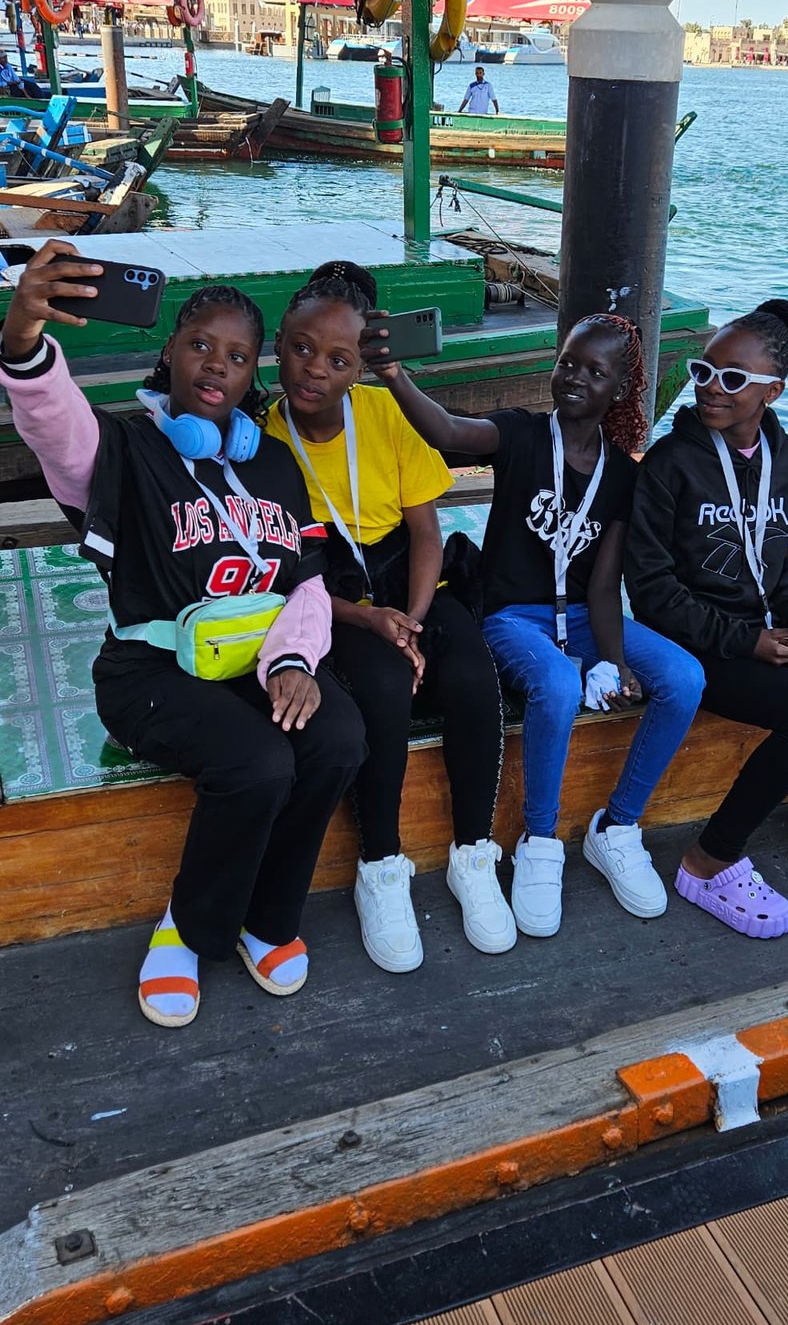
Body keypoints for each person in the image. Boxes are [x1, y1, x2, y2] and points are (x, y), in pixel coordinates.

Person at [0, 242, 365, 1029]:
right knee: (260, 762)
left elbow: (306, 579)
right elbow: (50, 421)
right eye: (200, 344)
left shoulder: (272, 463)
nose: (215, 365)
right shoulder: (124, 452)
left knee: (338, 735)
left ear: (250, 373)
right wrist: (24, 337)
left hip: (258, 662)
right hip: (151, 672)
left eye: (236, 356)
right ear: (169, 350)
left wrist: (297, 660)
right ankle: (188, 930)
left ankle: (266, 918)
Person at [368, 312, 705, 936]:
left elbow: (605, 585)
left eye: (594, 371)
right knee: (555, 683)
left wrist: (616, 658)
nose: (575, 377)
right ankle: (539, 842)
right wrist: (393, 374)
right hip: (511, 617)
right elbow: (448, 428)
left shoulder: (621, 474)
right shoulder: (522, 434)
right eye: (567, 363)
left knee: (683, 677)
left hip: (578, 616)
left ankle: (619, 825)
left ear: (619, 390)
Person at [265, 261, 514, 967]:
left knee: (468, 669)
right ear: (278, 343)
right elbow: (283, 573)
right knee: (377, 689)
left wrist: (411, 615)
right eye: (302, 349)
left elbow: (427, 533)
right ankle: (380, 865)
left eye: (339, 360)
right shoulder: (261, 439)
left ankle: (472, 852)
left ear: (358, 371)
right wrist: (370, 622)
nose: (315, 369)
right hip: (324, 593)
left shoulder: (383, 415)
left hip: (408, 576)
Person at [626, 300, 788, 938]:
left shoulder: (783, 456)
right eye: (704, 371)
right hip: (690, 639)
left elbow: (775, 563)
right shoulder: (671, 464)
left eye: (734, 378)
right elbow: (653, 590)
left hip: (758, 628)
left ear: (775, 389)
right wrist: (749, 641)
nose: (712, 388)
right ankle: (708, 860)